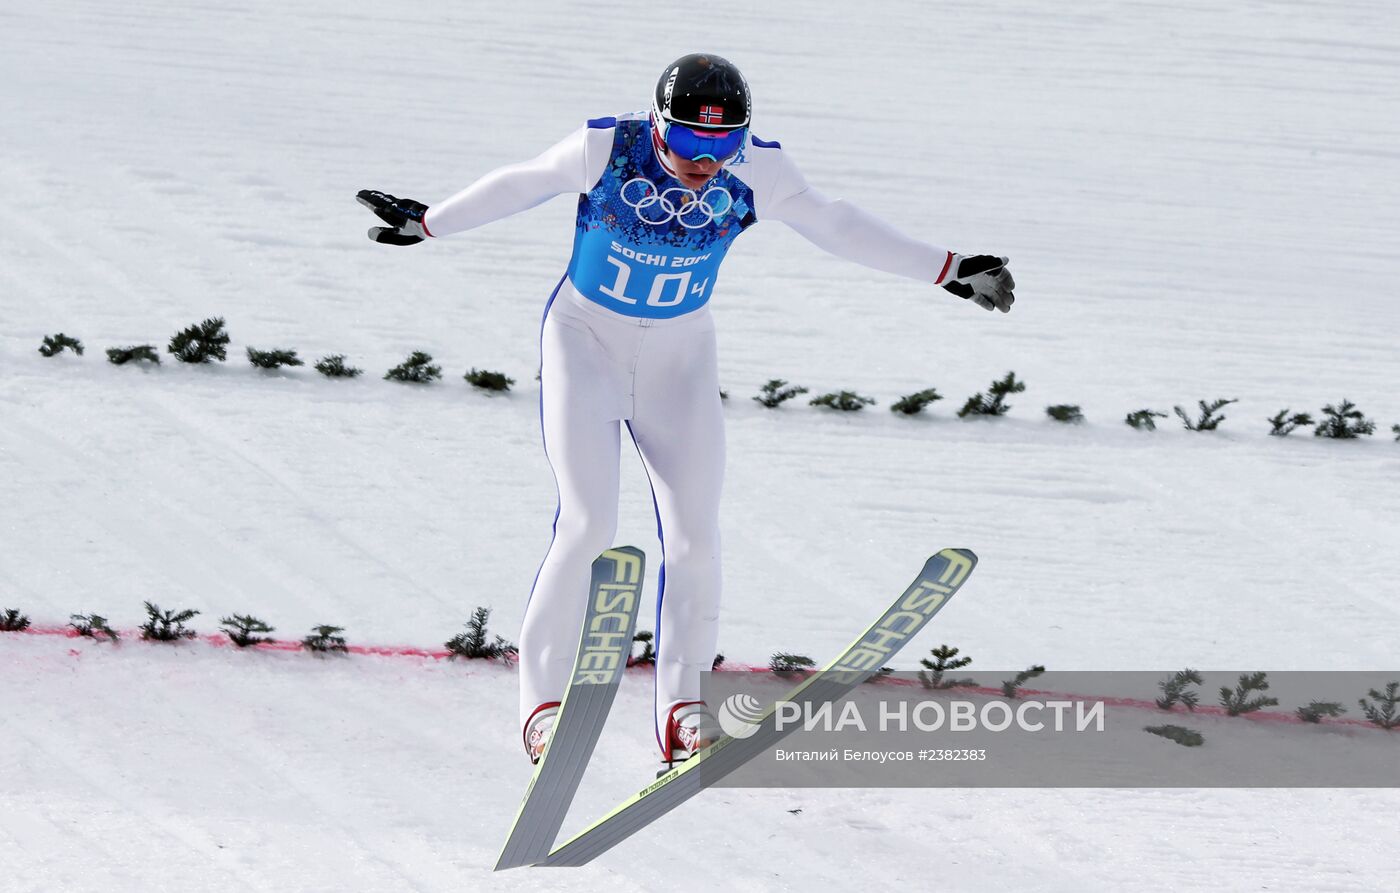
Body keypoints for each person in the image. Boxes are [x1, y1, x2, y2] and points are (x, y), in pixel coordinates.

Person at [358, 52, 1015, 766]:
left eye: (723, 146)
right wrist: (429, 223)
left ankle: (684, 712)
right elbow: (521, 183)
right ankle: (543, 707)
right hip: (585, 343)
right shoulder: (606, 149)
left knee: (696, 539)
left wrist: (946, 268)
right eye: (691, 144)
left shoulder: (760, 171)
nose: (707, 163)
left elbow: (839, 226)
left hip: (681, 361)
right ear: (658, 124)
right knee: (587, 524)